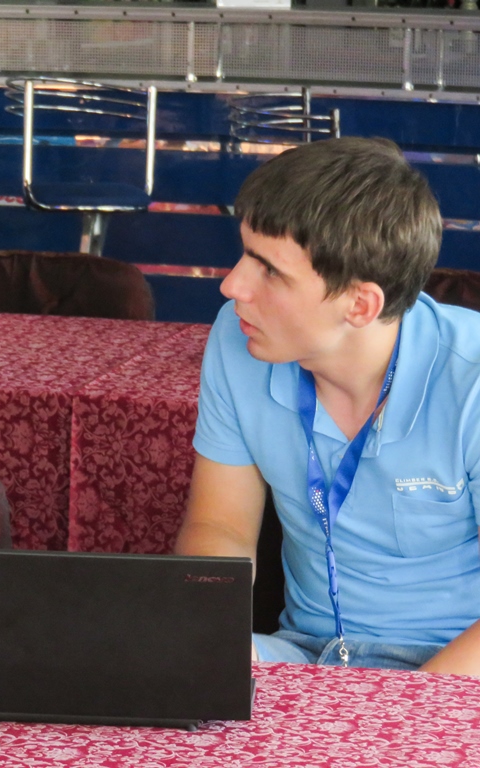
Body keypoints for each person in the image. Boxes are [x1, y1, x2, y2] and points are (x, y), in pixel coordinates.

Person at [176, 136, 480, 674]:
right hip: (303, 653)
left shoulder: (471, 378)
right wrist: (212, 643)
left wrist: (404, 708)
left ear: (360, 305)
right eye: (244, 254)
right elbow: (220, 525)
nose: (232, 286)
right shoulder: (239, 337)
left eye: (270, 270)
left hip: (447, 670)